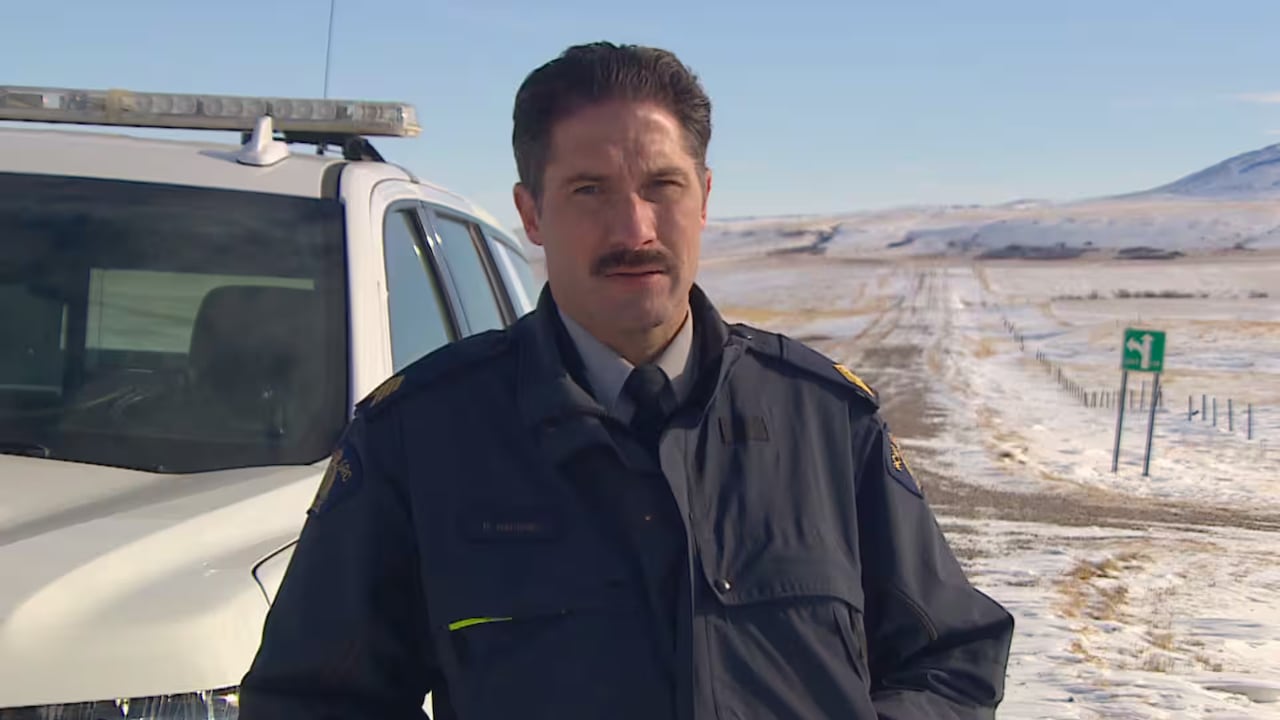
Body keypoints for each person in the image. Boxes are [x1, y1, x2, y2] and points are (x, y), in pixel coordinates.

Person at [238, 41, 1014, 719]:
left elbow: (951, 655)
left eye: (662, 186)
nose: (634, 229)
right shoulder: (422, 439)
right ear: (531, 214)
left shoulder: (824, 424)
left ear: (704, 197)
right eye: (590, 191)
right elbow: (313, 699)